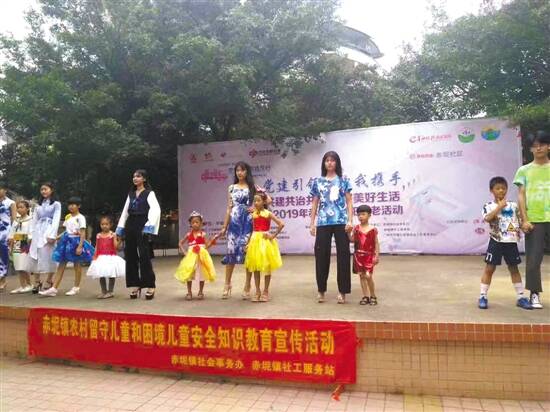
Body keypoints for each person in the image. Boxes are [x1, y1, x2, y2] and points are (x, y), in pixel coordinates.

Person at [478, 177, 532, 310]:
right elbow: (487, 218)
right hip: (496, 241)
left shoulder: (513, 206)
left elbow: (520, 221)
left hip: (511, 243)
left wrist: (525, 226)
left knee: (514, 269)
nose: (501, 190)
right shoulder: (488, 206)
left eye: (503, 188)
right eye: (497, 188)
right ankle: (483, 296)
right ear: (491, 190)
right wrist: (499, 207)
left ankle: (521, 297)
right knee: (489, 269)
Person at [219, 161, 271, 300]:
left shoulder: (253, 187)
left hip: (248, 223)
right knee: (231, 252)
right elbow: (229, 208)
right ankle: (227, 284)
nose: (239, 173)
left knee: (247, 254)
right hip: (234, 223)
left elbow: (268, 200)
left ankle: (247, 285)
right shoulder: (231, 188)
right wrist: (224, 226)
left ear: (247, 172)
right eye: (237, 170)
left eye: (242, 170)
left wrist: (255, 207)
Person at [309, 151, 353, 304]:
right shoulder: (318, 181)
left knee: (343, 255)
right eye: (327, 160)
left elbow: (349, 201)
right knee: (321, 255)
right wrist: (312, 223)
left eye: (332, 160)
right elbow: (315, 202)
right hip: (323, 222)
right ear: (324, 163)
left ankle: (343, 291)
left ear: (337, 163)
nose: (329, 163)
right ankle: (321, 290)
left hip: (341, 221)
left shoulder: (343, 180)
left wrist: (350, 221)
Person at [514, 130, 550, 309]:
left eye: (542, 144)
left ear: (548, 146)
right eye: (534, 146)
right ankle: (534, 294)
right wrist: (524, 219)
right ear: (530, 149)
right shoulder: (524, 170)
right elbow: (521, 195)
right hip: (534, 219)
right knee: (533, 260)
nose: (538, 148)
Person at [116, 169, 161, 300]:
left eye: (138, 176)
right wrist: (120, 228)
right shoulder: (131, 194)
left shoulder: (149, 193)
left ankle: (150, 285)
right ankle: (135, 285)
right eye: (134, 176)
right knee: (130, 255)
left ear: (144, 179)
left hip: (142, 223)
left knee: (144, 255)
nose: (135, 178)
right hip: (131, 223)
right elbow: (125, 212)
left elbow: (155, 210)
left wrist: (148, 225)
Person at [39, 197, 94, 296]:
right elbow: (66, 231)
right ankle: (54, 288)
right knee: (62, 263)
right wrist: (57, 237)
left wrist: (80, 246)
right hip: (66, 241)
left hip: (76, 241)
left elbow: (83, 232)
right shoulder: (68, 217)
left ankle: (76, 287)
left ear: (78, 206)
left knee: (77, 264)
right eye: (69, 205)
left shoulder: (80, 218)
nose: (71, 207)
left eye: (73, 205)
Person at [244, 192, 284, 302]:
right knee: (255, 267)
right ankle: (257, 291)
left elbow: (281, 224)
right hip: (254, 241)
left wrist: (272, 236)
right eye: (254, 201)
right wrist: (247, 243)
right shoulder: (253, 214)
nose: (256, 203)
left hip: (265, 242)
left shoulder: (268, 214)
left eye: (258, 201)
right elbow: (252, 230)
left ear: (264, 202)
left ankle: (266, 291)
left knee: (267, 267)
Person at [175, 211, 218, 300]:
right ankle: (189, 292)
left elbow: (206, 245)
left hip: (201, 256)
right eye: (193, 222)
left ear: (201, 223)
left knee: (202, 274)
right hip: (191, 257)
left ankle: (200, 291)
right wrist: (184, 252)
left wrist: (212, 241)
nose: (195, 224)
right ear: (190, 224)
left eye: (197, 222)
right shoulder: (188, 234)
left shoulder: (203, 234)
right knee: (189, 274)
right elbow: (180, 243)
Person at [29, 182, 61, 293]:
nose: (43, 191)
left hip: (48, 230)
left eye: (45, 189)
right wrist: (31, 234)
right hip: (38, 231)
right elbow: (34, 219)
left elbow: (56, 219)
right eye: (42, 189)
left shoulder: (56, 204)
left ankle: (49, 280)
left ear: (51, 190)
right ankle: (37, 281)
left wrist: (52, 234)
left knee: (49, 255)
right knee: (35, 254)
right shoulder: (38, 205)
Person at [87, 216, 125, 299]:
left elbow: (116, 247)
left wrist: (119, 241)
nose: (104, 226)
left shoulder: (112, 235)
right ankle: (103, 291)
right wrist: (95, 255)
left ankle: (110, 291)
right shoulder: (98, 235)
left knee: (112, 274)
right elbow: (97, 246)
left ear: (110, 225)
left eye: (106, 224)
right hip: (101, 257)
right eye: (102, 224)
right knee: (101, 274)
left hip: (111, 257)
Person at [349, 205, 380, 305]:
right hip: (358, 256)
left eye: (363, 214)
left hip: (369, 256)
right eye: (359, 215)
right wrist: (348, 233)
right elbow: (352, 240)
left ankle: (373, 295)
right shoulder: (356, 228)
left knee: (368, 275)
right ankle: (365, 296)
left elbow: (376, 243)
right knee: (362, 276)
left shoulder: (372, 229)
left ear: (369, 215)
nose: (360, 217)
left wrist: (377, 256)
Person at [8, 200, 33, 293]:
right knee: (18, 265)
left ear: (27, 209)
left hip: (25, 244)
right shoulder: (16, 221)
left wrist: (18, 238)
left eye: (22, 207)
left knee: (24, 265)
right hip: (16, 243)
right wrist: (11, 243)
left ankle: (29, 284)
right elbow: (12, 233)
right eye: (18, 207)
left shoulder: (31, 220)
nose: (19, 209)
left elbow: (31, 234)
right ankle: (22, 285)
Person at [0, 183, 16, 291]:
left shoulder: (11, 203)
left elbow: (14, 219)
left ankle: (3, 280)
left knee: (3, 255)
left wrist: (12, 234)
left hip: (5, 232)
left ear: (5, 190)